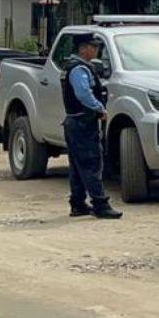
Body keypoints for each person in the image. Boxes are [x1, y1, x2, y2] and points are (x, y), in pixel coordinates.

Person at [60, 33, 122, 220]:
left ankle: (78, 203)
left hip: (76, 122)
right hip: (82, 122)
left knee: (78, 166)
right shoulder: (79, 69)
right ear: (83, 48)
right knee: (91, 164)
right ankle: (100, 204)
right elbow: (83, 94)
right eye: (93, 46)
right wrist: (99, 108)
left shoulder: (76, 66)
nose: (96, 50)